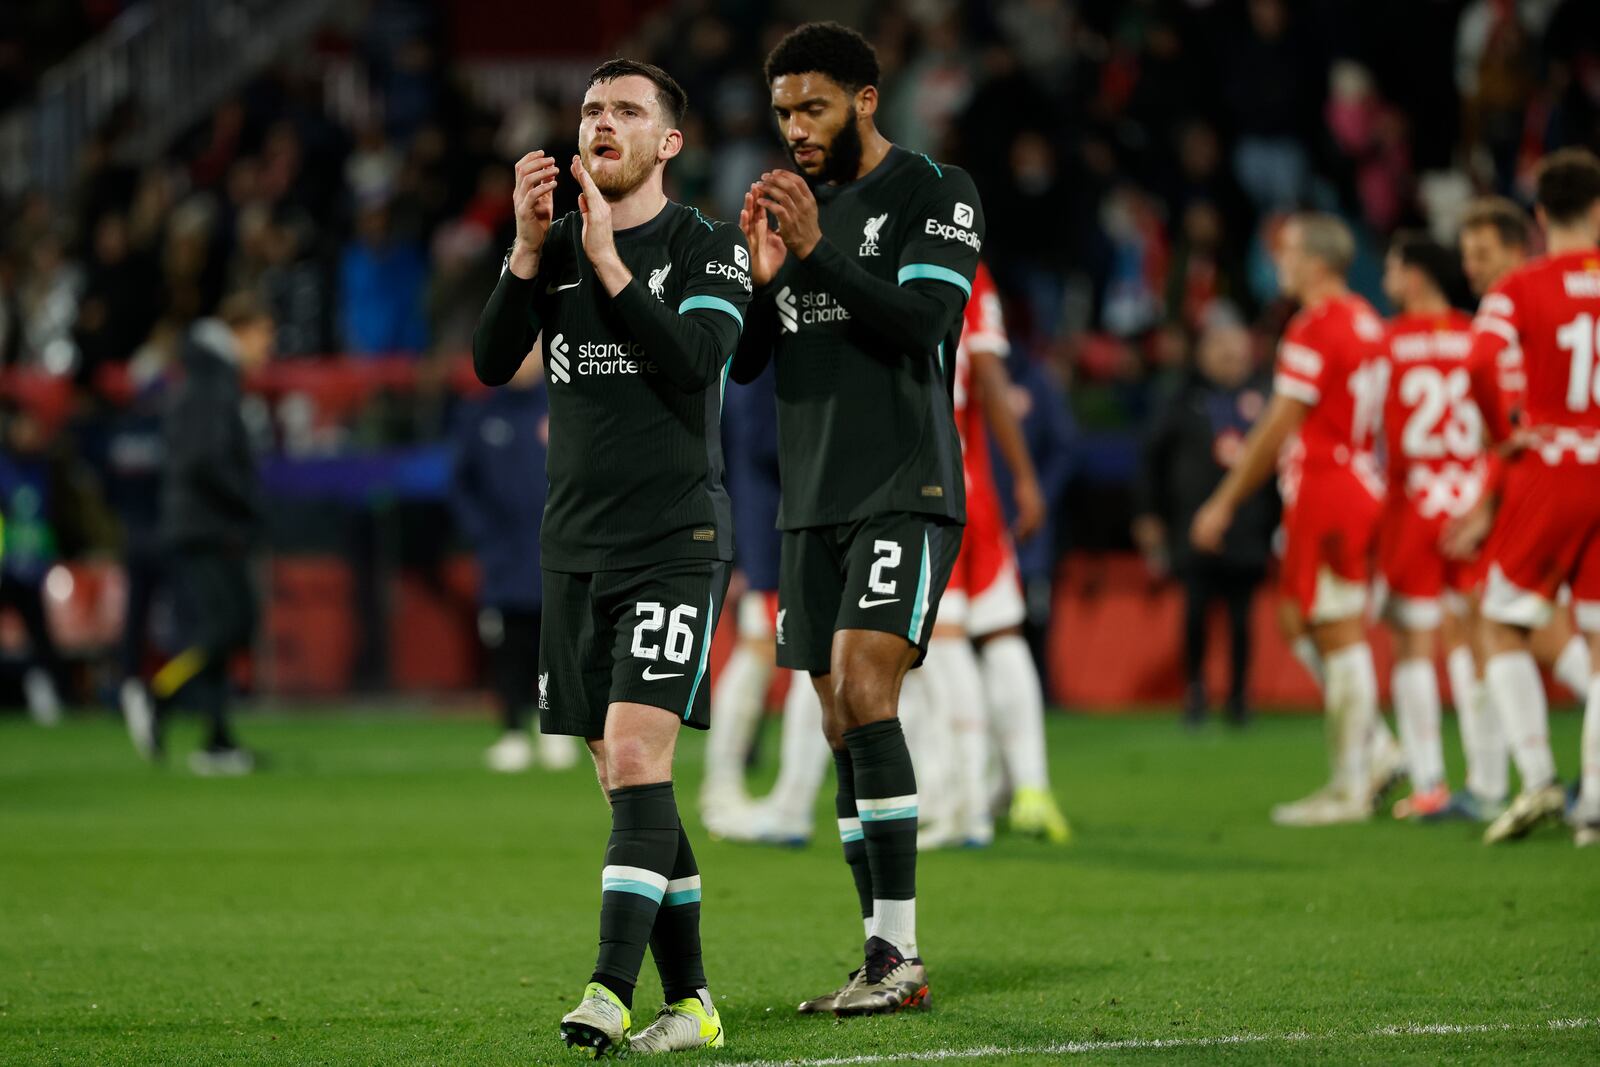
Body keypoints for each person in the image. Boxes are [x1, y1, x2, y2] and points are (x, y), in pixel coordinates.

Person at [472, 59, 750, 1055]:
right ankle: (698, 1002)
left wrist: (611, 261)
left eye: (626, 111)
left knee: (637, 756)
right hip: (572, 545)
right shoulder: (549, 254)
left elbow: (693, 362)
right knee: (629, 782)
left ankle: (606, 988)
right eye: (591, 109)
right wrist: (525, 245)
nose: (602, 122)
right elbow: (486, 358)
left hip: (672, 541)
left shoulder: (709, 249)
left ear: (666, 142)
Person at [731, 22, 983, 1015]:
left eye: (814, 107)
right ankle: (876, 951)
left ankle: (901, 956)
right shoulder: (797, 209)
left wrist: (812, 250)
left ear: (865, 99)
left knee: (867, 681)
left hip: (903, 483)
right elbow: (749, 360)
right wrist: (762, 280)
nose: (795, 128)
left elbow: (923, 322)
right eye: (783, 110)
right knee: (837, 711)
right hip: (812, 499)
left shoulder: (934, 191)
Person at [1191, 213, 1390, 826]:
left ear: (1320, 263)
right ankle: (1378, 752)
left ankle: (1353, 784)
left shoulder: (1315, 326)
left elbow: (1281, 421)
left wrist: (1224, 500)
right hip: (1356, 477)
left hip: (1329, 485)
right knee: (1299, 617)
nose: (1280, 260)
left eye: (1291, 251)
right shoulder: (1366, 320)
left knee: (1336, 630)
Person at [1465, 149, 1600, 847]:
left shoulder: (1521, 286)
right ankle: (1597, 809)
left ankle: (1541, 776)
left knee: (1498, 621)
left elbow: (1483, 360)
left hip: (1551, 465)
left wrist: (1504, 433)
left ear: (1542, 215)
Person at [927, 260, 1068, 846]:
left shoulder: (868, 251)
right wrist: (1024, 478)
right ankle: (1030, 789)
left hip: (922, 483)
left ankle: (964, 801)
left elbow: (985, 374)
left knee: (940, 643)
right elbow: (989, 371)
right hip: (974, 482)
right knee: (1002, 632)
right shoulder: (970, 268)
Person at [133, 293, 274, 774]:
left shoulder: (209, 374)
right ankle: (159, 696)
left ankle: (217, 740)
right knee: (229, 624)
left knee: (229, 624)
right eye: (263, 334)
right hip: (204, 524)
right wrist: (247, 504)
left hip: (204, 521)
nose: (267, 347)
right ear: (240, 330)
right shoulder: (213, 380)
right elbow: (205, 460)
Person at [1372, 233, 1482, 820]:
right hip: (1470, 499)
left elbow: (1371, 432)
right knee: (1473, 640)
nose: (1386, 277)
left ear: (1413, 277)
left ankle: (1430, 780)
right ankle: (1488, 777)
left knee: (1412, 645)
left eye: (1391, 267)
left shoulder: (1387, 344)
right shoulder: (1475, 335)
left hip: (1412, 502)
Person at [1134, 315, 1277, 727]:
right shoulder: (1181, 398)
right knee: (1194, 613)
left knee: (1241, 617)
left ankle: (1238, 696)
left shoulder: (1265, 398)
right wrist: (1148, 514)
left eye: (1238, 349)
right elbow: (1151, 460)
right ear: (1204, 354)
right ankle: (1194, 689)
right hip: (1191, 525)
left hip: (1247, 527)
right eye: (1222, 350)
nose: (1232, 358)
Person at [449, 349, 577, 774]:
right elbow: (462, 484)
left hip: (558, 550)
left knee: (559, 642)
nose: (522, 359)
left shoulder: (565, 405)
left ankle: (556, 728)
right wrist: (483, 535)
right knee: (508, 645)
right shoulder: (480, 416)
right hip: (504, 557)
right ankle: (512, 732)